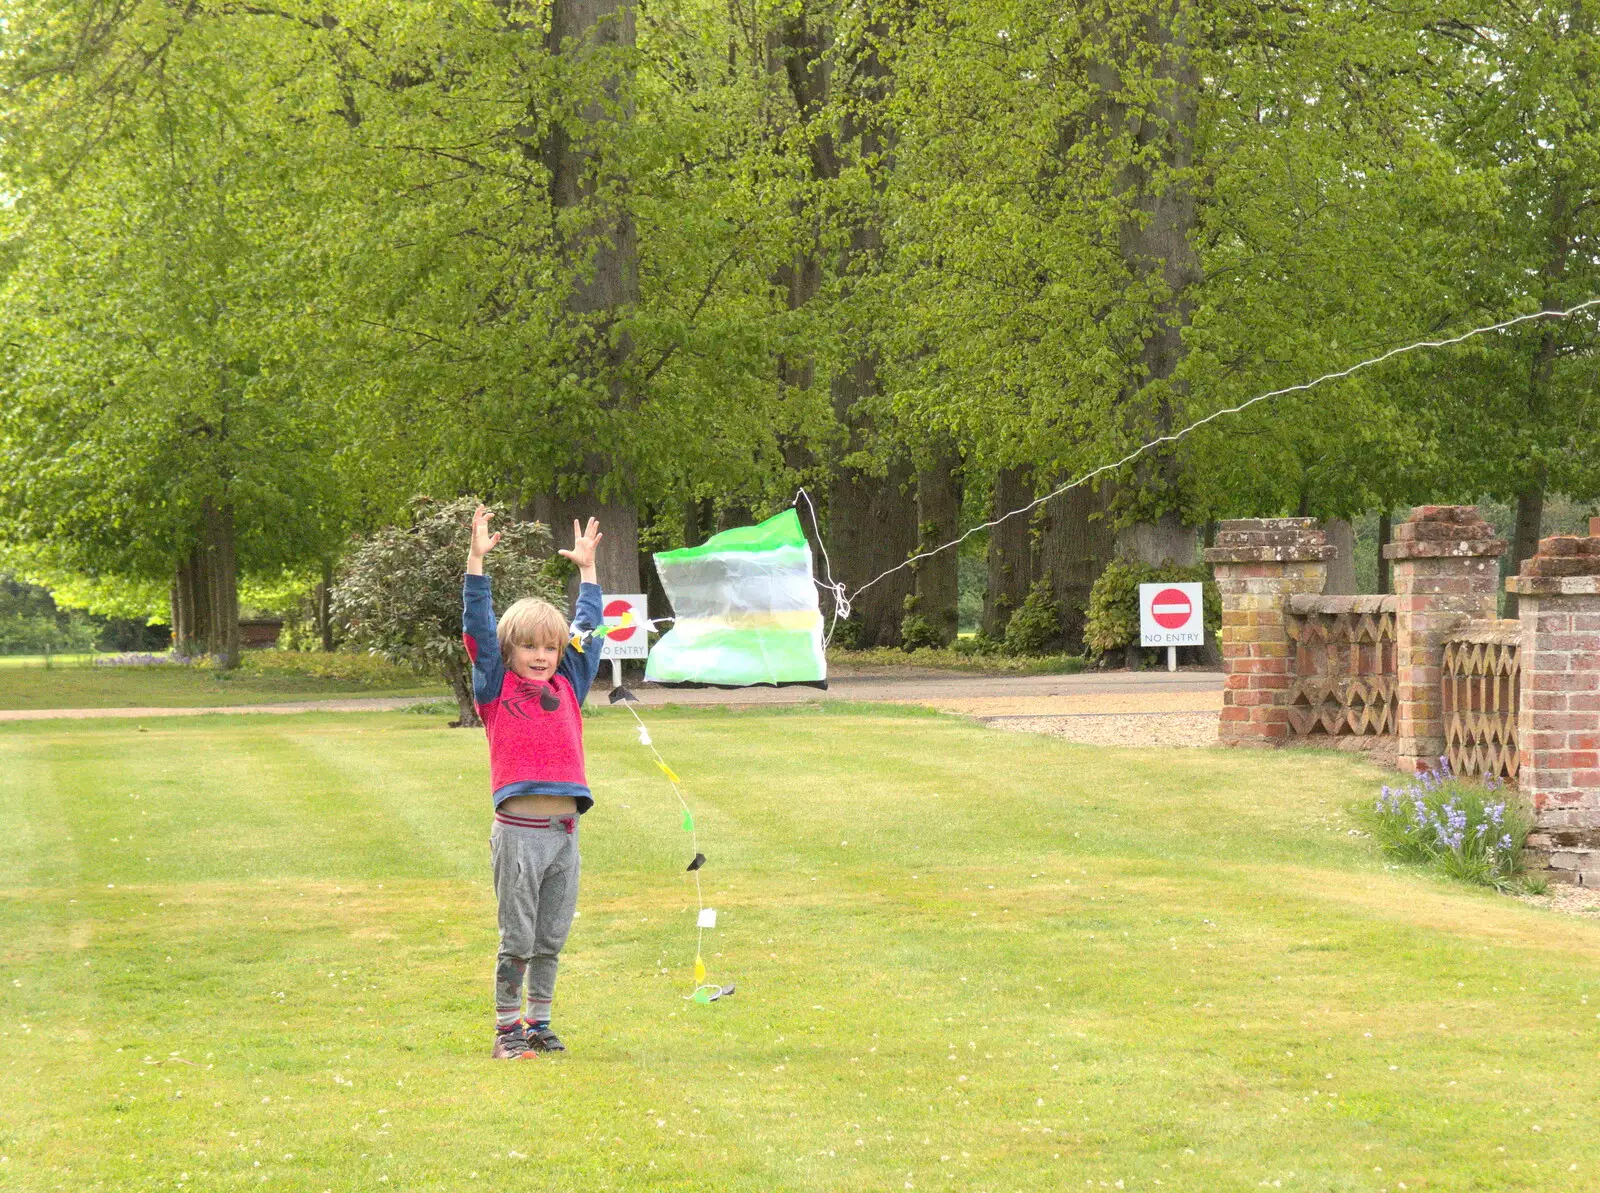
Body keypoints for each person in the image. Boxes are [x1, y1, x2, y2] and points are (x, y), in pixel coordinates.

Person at [462, 505, 604, 1058]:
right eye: (530, 647)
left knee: (550, 939)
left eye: (550, 646)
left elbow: (587, 633)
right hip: (519, 834)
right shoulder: (495, 689)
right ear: (510, 651)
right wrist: (477, 563)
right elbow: (477, 628)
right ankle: (507, 1032)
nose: (542, 656)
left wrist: (587, 573)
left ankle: (540, 1025)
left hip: (565, 833)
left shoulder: (570, 684)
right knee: (517, 939)